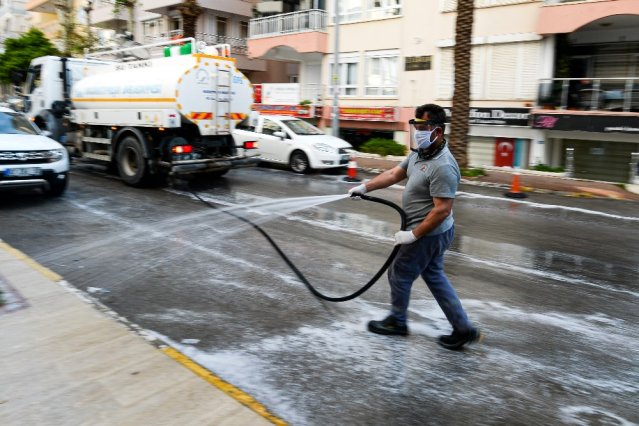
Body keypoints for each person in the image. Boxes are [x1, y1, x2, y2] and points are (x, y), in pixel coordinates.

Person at [348, 103, 482, 350]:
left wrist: (413, 235)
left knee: (399, 274)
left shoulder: (443, 165)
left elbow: (442, 209)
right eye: (416, 125)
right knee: (434, 275)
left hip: (427, 232)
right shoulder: (421, 152)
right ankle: (463, 328)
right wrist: (365, 187)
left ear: (438, 131)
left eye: (423, 127)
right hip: (431, 232)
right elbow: (394, 174)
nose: (418, 131)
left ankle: (397, 322)